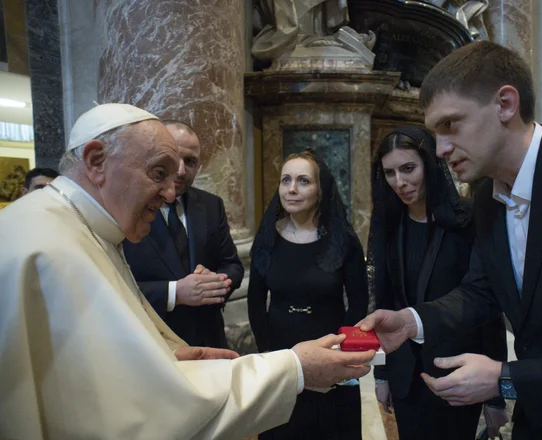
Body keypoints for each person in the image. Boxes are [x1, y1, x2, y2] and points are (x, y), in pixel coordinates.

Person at [0, 103, 375, 440]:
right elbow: (120, 414)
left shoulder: (83, 228)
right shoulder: (44, 247)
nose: (169, 191)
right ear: (97, 161)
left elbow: (92, 368)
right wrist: (294, 368)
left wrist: (166, 355)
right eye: (158, 172)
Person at [359, 40, 542, 439]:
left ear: (505, 104)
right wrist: (410, 322)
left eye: (450, 125)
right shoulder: (487, 196)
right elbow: (481, 292)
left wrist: (507, 379)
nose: (441, 150)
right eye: (435, 133)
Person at [368, 125, 508, 439]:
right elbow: (384, 299)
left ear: (430, 165)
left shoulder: (468, 218)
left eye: (408, 169)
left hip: (458, 371)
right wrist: (382, 373)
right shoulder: (389, 223)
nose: (399, 183)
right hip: (406, 373)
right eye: (389, 173)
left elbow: (487, 306)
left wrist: (495, 393)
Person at [248, 150, 369, 440]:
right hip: (280, 356)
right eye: (285, 180)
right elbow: (254, 302)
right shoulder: (267, 237)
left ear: (320, 190)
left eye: (303, 181)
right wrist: (268, 354)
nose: (291, 189)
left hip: (330, 354)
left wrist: (340, 354)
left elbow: (359, 303)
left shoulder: (343, 240)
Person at [123, 120, 243, 349]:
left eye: (190, 162)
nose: (180, 170)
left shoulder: (210, 205)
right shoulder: (129, 207)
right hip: (154, 343)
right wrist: (175, 293)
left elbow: (232, 265)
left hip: (210, 340)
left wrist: (213, 283)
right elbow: (115, 284)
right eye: (173, 157)